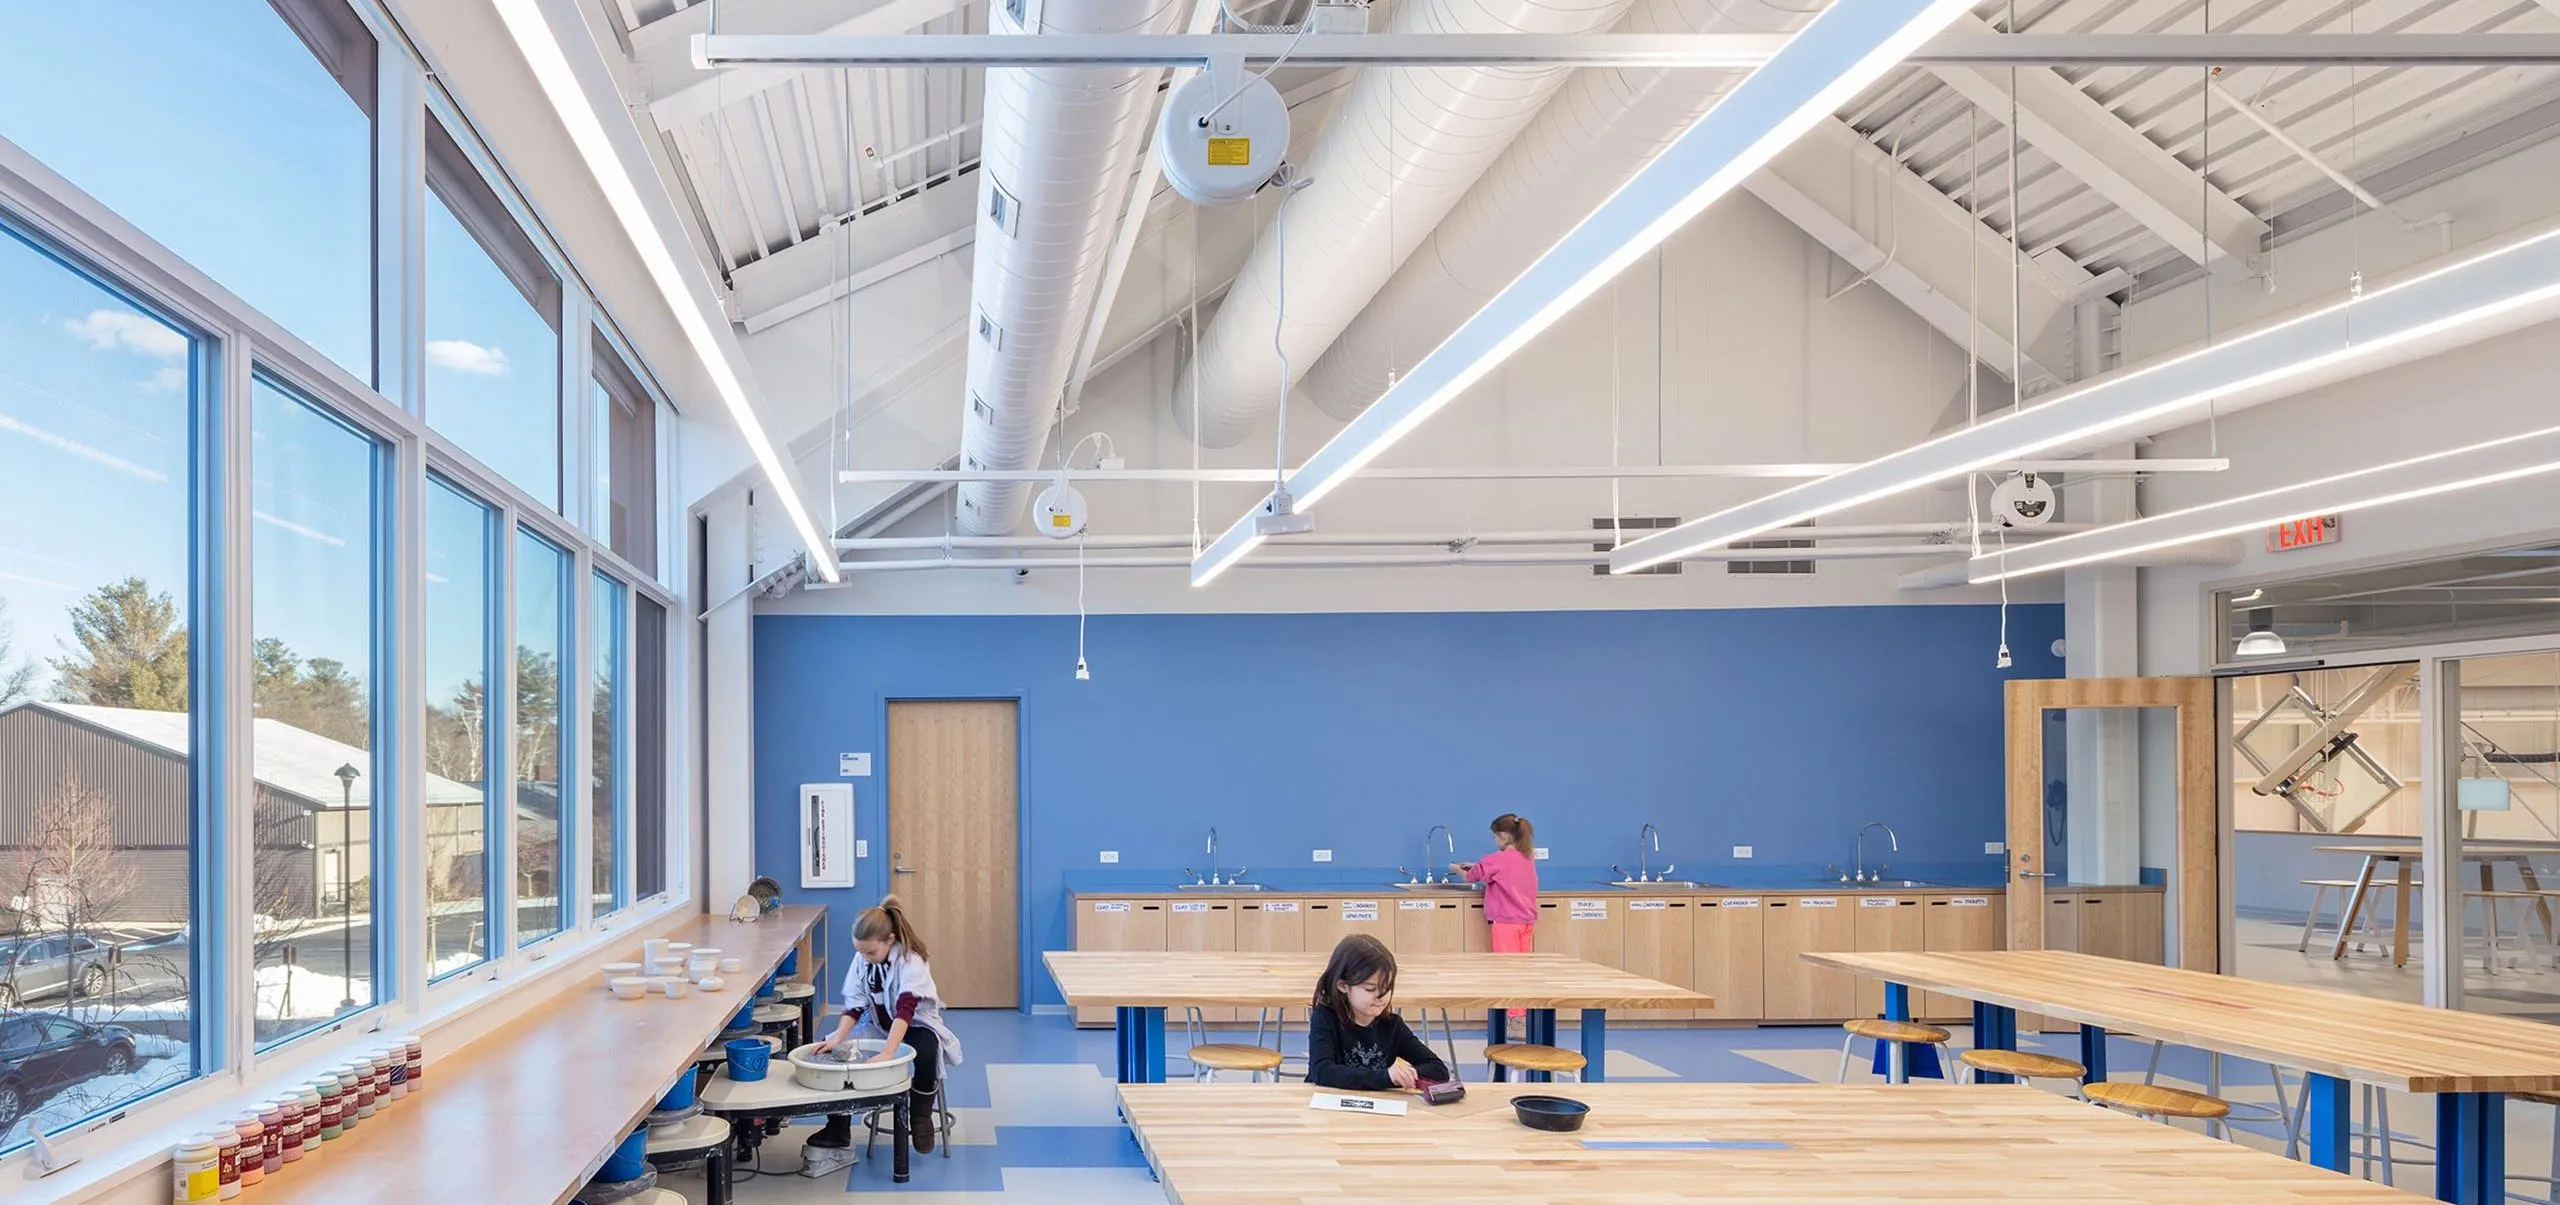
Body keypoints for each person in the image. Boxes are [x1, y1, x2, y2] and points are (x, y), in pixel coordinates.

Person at [803, 896, 963, 1171]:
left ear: (890, 940)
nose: (865, 958)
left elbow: (905, 1011)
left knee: (927, 1050)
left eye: (870, 953)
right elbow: (854, 1005)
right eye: (861, 952)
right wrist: (837, 1039)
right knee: (837, 1053)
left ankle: (921, 1114)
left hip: (914, 1025)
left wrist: (888, 1053)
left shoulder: (911, 960)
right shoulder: (862, 958)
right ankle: (838, 1127)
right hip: (878, 1023)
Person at [1305, 934, 1451, 1092]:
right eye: (1370, 989)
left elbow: (1438, 1070)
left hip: (1376, 1108)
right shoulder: (1326, 1018)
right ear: (1343, 985)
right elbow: (1322, 1072)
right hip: (1326, 1104)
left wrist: (1407, 1074)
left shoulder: (1392, 1025)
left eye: (1386, 988)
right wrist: (1385, 1077)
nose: (1381, 997)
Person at [1451, 812, 1538, 1023]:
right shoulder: (1527, 858)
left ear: (1502, 836)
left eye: (1494, 837)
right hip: (1526, 922)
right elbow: (1497, 872)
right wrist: (1477, 865)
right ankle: (1522, 1014)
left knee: (1507, 971)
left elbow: (1472, 876)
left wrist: (1456, 868)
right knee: (1521, 970)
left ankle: (1514, 1020)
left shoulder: (1495, 860)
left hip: (1506, 923)